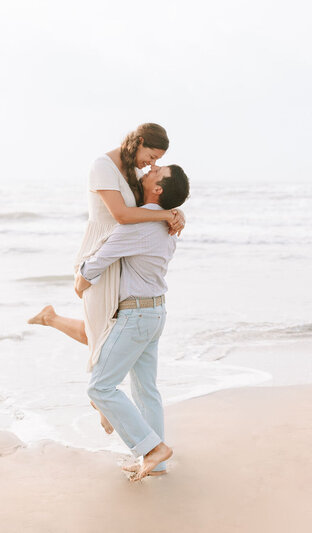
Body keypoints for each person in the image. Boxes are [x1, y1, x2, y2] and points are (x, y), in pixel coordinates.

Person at [27, 123, 184, 431]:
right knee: (100, 335)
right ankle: (102, 401)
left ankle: (54, 322)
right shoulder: (103, 166)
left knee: (103, 333)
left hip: (121, 254)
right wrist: (167, 215)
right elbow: (122, 216)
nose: (151, 165)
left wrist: (177, 211)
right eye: (151, 156)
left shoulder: (135, 174)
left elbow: (150, 203)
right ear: (139, 142)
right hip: (100, 252)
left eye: (156, 162)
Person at [75, 163, 190, 481]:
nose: (152, 168)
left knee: (100, 386)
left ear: (159, 189)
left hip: (137, 316)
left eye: (159, 170)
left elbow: (98, 262)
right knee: (145, 390)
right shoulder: (167, 224)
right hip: (155, 313)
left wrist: (80, 280)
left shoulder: (140, 227)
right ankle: (158, 460)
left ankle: (152, 449)